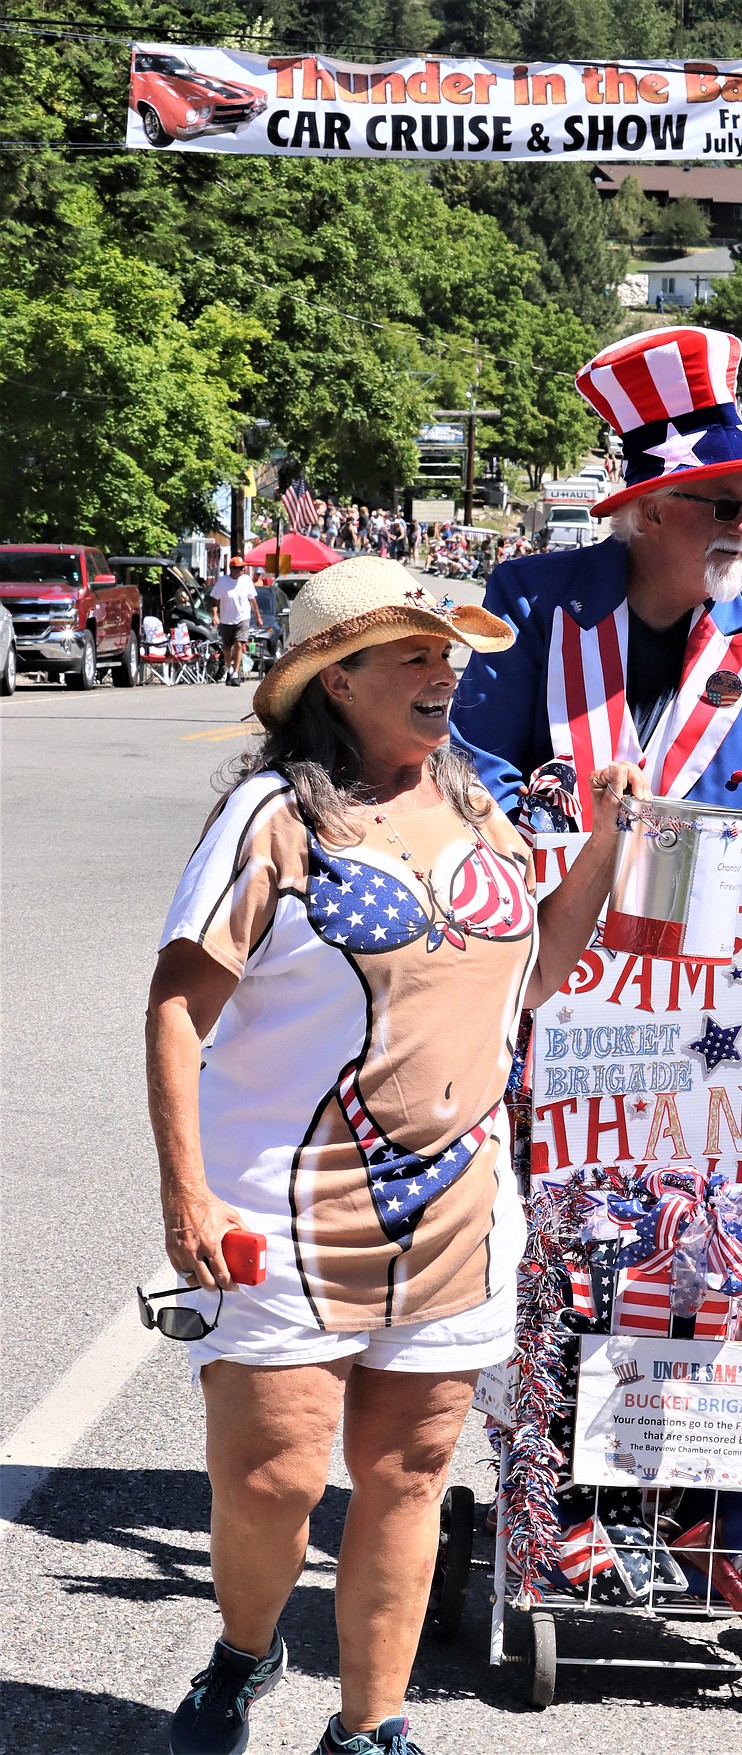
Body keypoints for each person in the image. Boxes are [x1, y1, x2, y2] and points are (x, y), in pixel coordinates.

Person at [145, 558, 650, 1755]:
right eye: (415, 653)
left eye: (449, 651)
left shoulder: (480, 807)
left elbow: (545, 974)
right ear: (339, 676)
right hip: (284, 1200)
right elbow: (175, 1009)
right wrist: (185, 1196)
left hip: (460, 1201)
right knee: (272, 1477)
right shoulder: (273, 821)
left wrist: (611, 839)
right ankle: (244, 1650)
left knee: (410, 1467)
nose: (446, 672)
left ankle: (370, 1725)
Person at [453, 327, 742, 835]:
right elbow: (478, 773)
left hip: (698, 901)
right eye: (726, 506)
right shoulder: (531, 601)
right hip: (547, 895)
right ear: (654, 511)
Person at [209, 556, 262, 688]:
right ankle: (229, 670)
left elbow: (252, 600)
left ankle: (236, 674)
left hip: (242, 618)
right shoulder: (223, 582)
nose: (241, 570)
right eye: (238, 568)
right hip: (226, 619)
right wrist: (215, 615)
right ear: (232, 569)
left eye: (242, 567)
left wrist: (258, 616)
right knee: (227, 648)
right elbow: (214, 599)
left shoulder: (246, 580)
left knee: (238, 644)